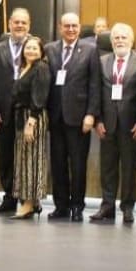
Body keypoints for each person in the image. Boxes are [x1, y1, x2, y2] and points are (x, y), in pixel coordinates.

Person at [45, 12, 100, 221]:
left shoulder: (90, 50)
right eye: (66, 26)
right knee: (58, 164)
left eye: (74, 26)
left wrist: (91, 115)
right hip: (55, 117)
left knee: (78, 165)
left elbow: (95, 85)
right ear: (60, 27)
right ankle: (61, 206)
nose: (70, 29)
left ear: (79, 28)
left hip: (79, 119)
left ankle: (77, 205)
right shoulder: (50, 49)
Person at [92, 23, 136, 224]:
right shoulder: (102, 61)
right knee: (107, 168)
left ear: (131, 41)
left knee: (129, 169)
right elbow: (95, 92)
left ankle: (127, 207)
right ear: (111, 41)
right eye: (116, 38)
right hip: (107, 125)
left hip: (132, 125)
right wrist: (97, 120)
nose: (120, 41)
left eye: (124, 37)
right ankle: (107, 206)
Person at [0, 7, 31, 214]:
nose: (19, 25)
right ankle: (9, 196)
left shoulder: (36, 47)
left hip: (28, 113)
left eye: (24, 22)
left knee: (26, 156)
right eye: (16, 22)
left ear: (29, 25)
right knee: (5, 156)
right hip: (2, 112)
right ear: (10, 24)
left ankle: (26, 198)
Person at [10, 36, 51, 220]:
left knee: (32, 161)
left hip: (33, 118)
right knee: (25, 160)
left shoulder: (41, 67)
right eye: (28, 47)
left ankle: (28, 203)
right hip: (22, 116)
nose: (31, 51)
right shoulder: (24, 67)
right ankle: (33, 203)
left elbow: (39, 96)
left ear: (41, 52)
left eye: (35, 48)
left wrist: (31, 122)